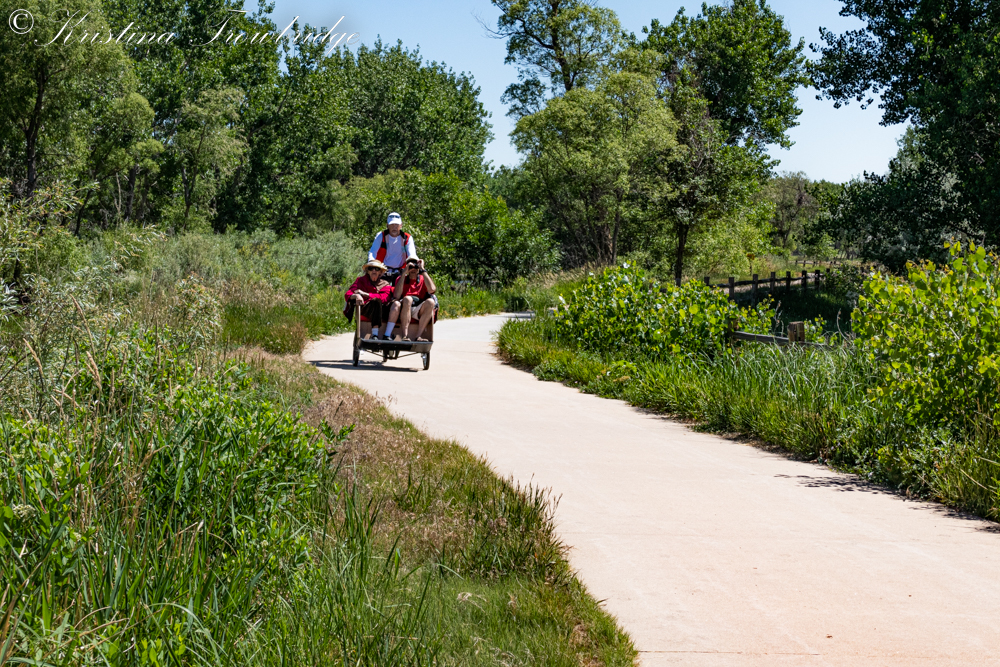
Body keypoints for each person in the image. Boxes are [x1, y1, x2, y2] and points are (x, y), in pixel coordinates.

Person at [386, 256, 437, 341]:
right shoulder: (401, 278)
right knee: (408, 299)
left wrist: (422, 269)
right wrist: (403, 274)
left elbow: (432, 290)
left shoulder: (423, 278)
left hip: (418, 308)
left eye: (415, 266)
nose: (413, 269)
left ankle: (418, 336)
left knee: (431, 302)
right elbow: (397, 296)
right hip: (404, 307)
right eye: (410, 266)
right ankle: (405, 335)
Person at [344, 260, 393, 338]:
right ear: (368, 271)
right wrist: (356, 295)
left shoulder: (385, 284)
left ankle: (385, 334)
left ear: (380, 272)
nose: (374, 271)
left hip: (382, 310)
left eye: (377, 269)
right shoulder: (360, 281)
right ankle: (375, 334)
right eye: (371, 268)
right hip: (365, 308)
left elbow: (384, 298)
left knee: (379, 301)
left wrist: (365, 294)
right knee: (376, 301)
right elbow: (348, 294)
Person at [368, 212, 416, 284]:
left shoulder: (407, 238)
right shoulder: (381, 236)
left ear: (401, 225)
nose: (394, 227)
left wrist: (413, 263)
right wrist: (372, 265)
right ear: (387, 225)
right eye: (392, 224)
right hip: (382, 270)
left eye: (396, 225)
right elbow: (372, 252)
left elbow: (412, 254)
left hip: (400, 271)